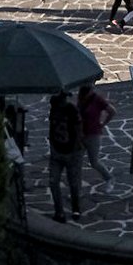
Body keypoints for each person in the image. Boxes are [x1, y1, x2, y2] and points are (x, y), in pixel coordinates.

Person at [47, 86, 82, 221]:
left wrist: (76, 148)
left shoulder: (71, 110)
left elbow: (78, 129)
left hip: (70, 152)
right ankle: (59, 211)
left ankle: (76, 209)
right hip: (57, 152)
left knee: (73, 183)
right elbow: (51, 128)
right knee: (53, 181)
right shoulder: (53, 110)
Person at [76, 82, 116, 186]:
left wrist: (103, 124)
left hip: (93, 135)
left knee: (94, 162)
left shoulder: (97, 99)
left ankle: (109, 178)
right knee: (76, 160)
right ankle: (76, 184)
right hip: (81, 134)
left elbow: (112, 111)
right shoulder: (80, 99)